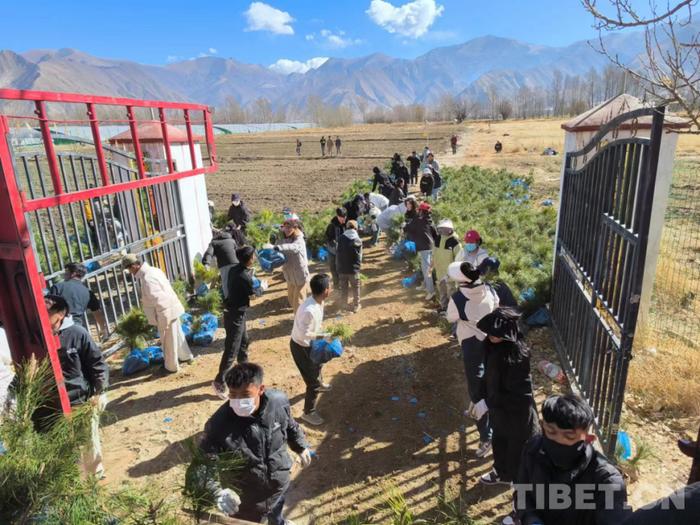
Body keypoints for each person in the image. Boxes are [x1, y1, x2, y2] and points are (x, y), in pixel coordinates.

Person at [199, 362, 311, 525]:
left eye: (245, 394)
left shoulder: (278, 402)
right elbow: (202, 463)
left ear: (261, 389)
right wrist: (216, 491)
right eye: (233, 395)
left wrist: (300, 446)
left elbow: (290, 425)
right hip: (246, 499)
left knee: (276, 510)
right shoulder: (219, 424)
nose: (238, 401)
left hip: (278, 483)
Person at [514, 394, 630, 525]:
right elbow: (523, 494)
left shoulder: (606, 479)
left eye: (569, 437)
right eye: (551, 432)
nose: (558, 441)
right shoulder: (533, 450)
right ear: (542, 426)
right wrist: (531, 519)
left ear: (588, 439)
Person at [44, 294, 109, 477]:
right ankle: (70, 476)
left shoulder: (77, 333)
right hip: (54, 401)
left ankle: (95, 474)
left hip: (81, 398)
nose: (41, 315)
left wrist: (98, 392)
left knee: (88, 438)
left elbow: (97, 363)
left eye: (46, 311)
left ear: (60, 314)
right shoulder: (39, 336)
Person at [474, 308, 540, 489]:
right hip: (498, 411)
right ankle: (500, 471)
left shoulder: (517, 356)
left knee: (516, 448)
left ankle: (517, 481)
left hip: (516, 414)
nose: (492, 337)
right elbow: (487, 375)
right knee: (499, 440)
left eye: (496, 334)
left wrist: (489, 403)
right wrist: (480, 397)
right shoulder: (490, 346)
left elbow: (521, 395)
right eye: (490, 334)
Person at [446, 261, 499, 458]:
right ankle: (481, 410)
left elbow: (451, 317)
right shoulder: (490, 291)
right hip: (491, 342)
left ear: (461, 282)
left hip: (471, 344)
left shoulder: (458, 299)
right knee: (490, 380)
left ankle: (487, 437)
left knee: (477, 389)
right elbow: (496, 306)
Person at [123, 254, 193, 372]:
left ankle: (171, 367)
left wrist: (163, 321)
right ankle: (186, 356)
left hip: (165, 313)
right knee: (178, 335)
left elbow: (161, 301)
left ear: (135, 265)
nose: (130, 272)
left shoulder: (147, 279)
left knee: (168, 341)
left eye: (129, 268)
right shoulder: (153, 270)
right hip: (172, 308)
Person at [212, 246, 259, 399]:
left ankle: (244, 371)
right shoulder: (244, 276)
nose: (255, 258)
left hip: (235, 311)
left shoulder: (234, 269)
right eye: (253, 256)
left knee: (243, 341)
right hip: (235, 315)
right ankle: (219, 382)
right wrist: (261, 288)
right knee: (231, 349)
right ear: (249, 259)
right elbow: (252, 296)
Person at [290, 274, 332, 426]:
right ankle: (309, 413)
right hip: (301, 347)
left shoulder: (318, 301)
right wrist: (323, 336)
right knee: (311, 381)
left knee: (319, 363)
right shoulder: (309, 309)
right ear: (326, 291)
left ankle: (320, 383)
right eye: (330, 286)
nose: (331, 288)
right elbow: (304, 334)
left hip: (310, 344)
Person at [49, 262, 108, 339]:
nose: (64, 275)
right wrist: (103, 329)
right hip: (78, 329)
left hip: (60, 328)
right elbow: (97, 312)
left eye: (66, 272)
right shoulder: (88, 292)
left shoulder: (57, 287)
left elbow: (49, 309)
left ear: (73, 274)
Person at [275, 215, 310, 312]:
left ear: (295, 228)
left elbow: (293, 247)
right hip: (289, 275)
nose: (286, 229)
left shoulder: (299, 240)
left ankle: (300, 322)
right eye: (285, 227)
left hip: (300, 275)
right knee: (291, 299)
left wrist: (279, 247)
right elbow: (278, 246)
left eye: (289, 227)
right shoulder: (284, 238)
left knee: (299, 302)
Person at [404, 202, 437, 301]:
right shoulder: (429, 221)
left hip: (424, 247)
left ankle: (431, 291)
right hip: (430, 247)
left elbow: (408, 228)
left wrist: (404, 226)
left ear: (422, 211)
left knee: (427, 269)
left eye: (419, 210)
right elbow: (435, 234)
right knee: (424, 267)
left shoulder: (418, 220)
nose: (418, 211)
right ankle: (426, 285)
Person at [432, 219, 462, 311]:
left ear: (450, 229)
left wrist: (454, 272)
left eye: (445, 228)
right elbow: (434, 253)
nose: (442, 231)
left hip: (450, 274)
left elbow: (459, 259)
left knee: (451, 292)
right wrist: (432, 265)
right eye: (441, 228)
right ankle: (443, 308)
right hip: (439, 271)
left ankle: (452, 311)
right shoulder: (437, 239)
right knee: (442, 291)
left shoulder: (455, 242)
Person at [202, 228, 239, 300]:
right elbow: (238, 251)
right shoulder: (232, 241)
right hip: (236, 263)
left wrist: (206, 263)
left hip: (224, 265)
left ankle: (229, 300)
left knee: (226, 282)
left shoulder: (214, 243)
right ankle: (239, 298)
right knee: (237, 280)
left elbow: (209, 253)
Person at [336, 220, 362, 313]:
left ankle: (344, 304)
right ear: (356, 228)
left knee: (344, 288)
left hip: (342, 268)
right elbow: (360, 255)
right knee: (356, 287)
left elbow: (337, 252)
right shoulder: (357, 239)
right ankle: (356, 305)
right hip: (353, 268)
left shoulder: (340, 238)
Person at [324, 208, 347, 288]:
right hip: (332, 250)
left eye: (344, 217)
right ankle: (336, 284)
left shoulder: (346, 224)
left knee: (341, 268)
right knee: (333, 268)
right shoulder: (332, 226)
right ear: (337, 216)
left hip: (342, 250)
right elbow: (328, 239)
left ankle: (343, 284)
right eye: (341, 218)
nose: (343, 219)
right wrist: (334, 244)